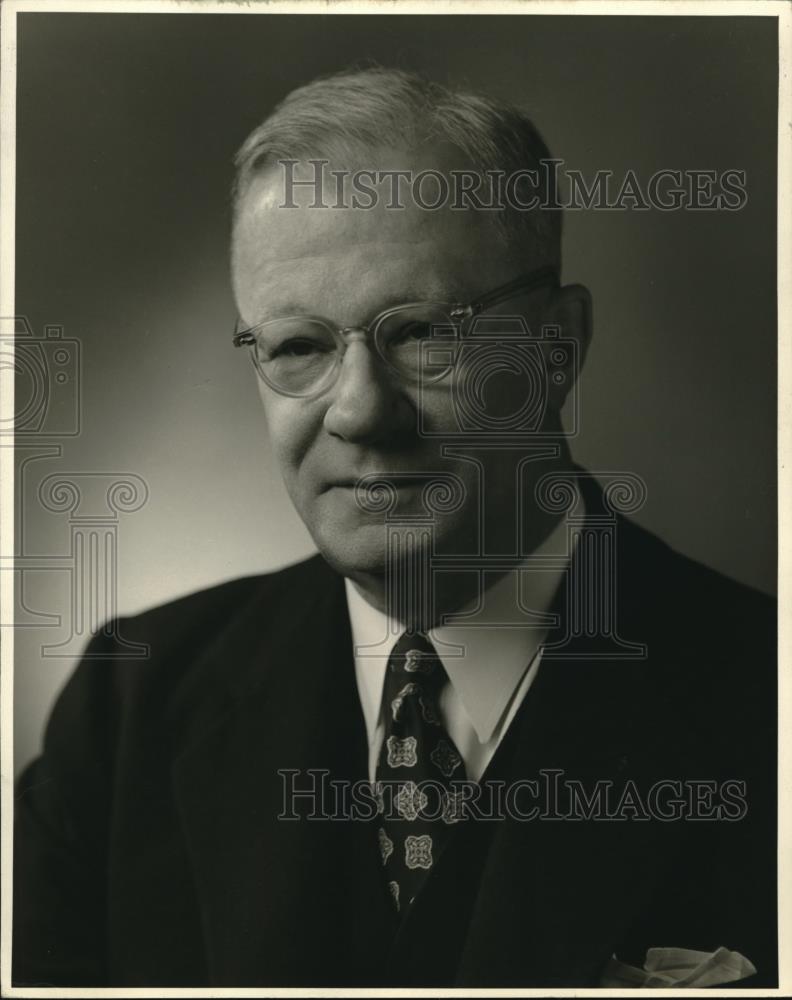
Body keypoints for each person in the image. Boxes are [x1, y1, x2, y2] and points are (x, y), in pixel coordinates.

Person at [14, 68, 776, 988]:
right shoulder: (130, 709)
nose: (360, 411)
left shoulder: (765, 701)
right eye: (299, 346)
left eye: (423, 333)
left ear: (557, 348)